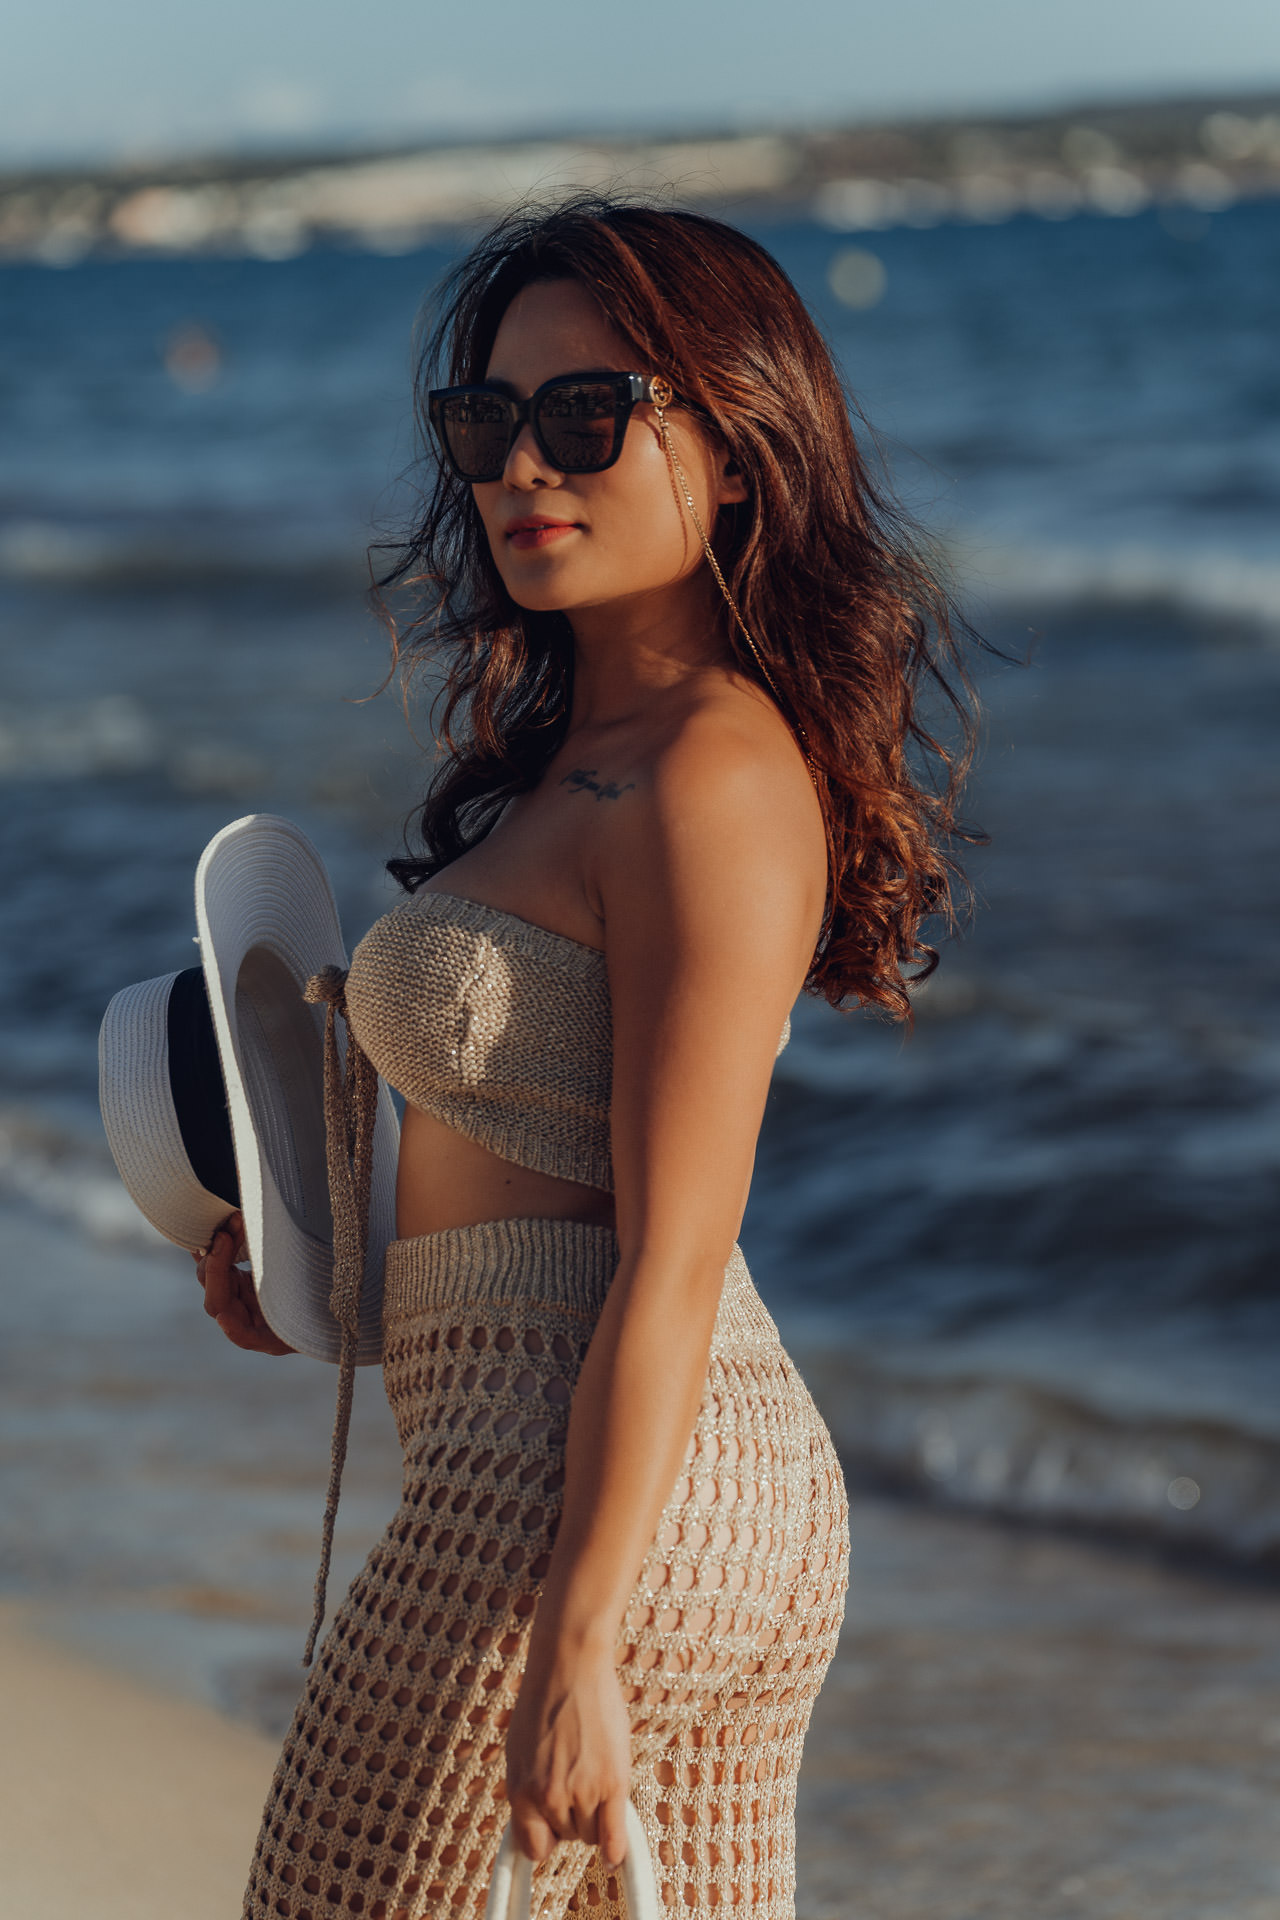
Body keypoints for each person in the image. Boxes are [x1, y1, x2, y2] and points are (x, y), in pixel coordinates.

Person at [197, 195, 976, 1920]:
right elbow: (544, 1177)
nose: (521, 467)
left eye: (586, 413)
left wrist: (580, 1631)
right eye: (485, 422)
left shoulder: (708, 771)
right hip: (679, 1491)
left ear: (740, 450)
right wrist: (327, 1278)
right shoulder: (596, 755)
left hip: (570, 1497)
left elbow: (676, 1248)